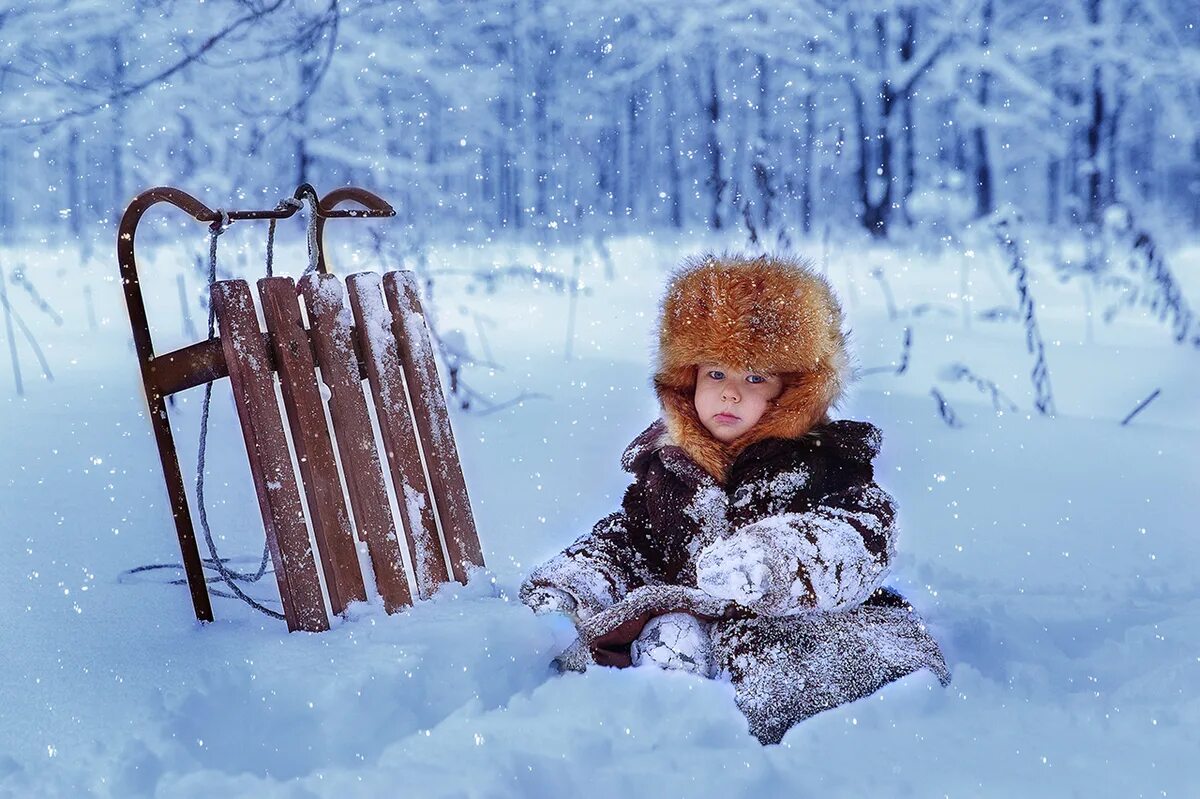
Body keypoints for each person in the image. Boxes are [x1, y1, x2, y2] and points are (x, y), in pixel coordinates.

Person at [519, 252, 950, 744]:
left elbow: (860, 532)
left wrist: (778, 558)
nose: (730, 394)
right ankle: (668, 679)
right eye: (716, 375)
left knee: (795, 664)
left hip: (800, 627)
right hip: (696, 616)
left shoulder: (823, 463)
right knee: (611, 638)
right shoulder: (669, 469)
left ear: (792, 391)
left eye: (754, 377)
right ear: (688, 382)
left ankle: (717, 711)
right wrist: (576, 585)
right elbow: (626, 543)